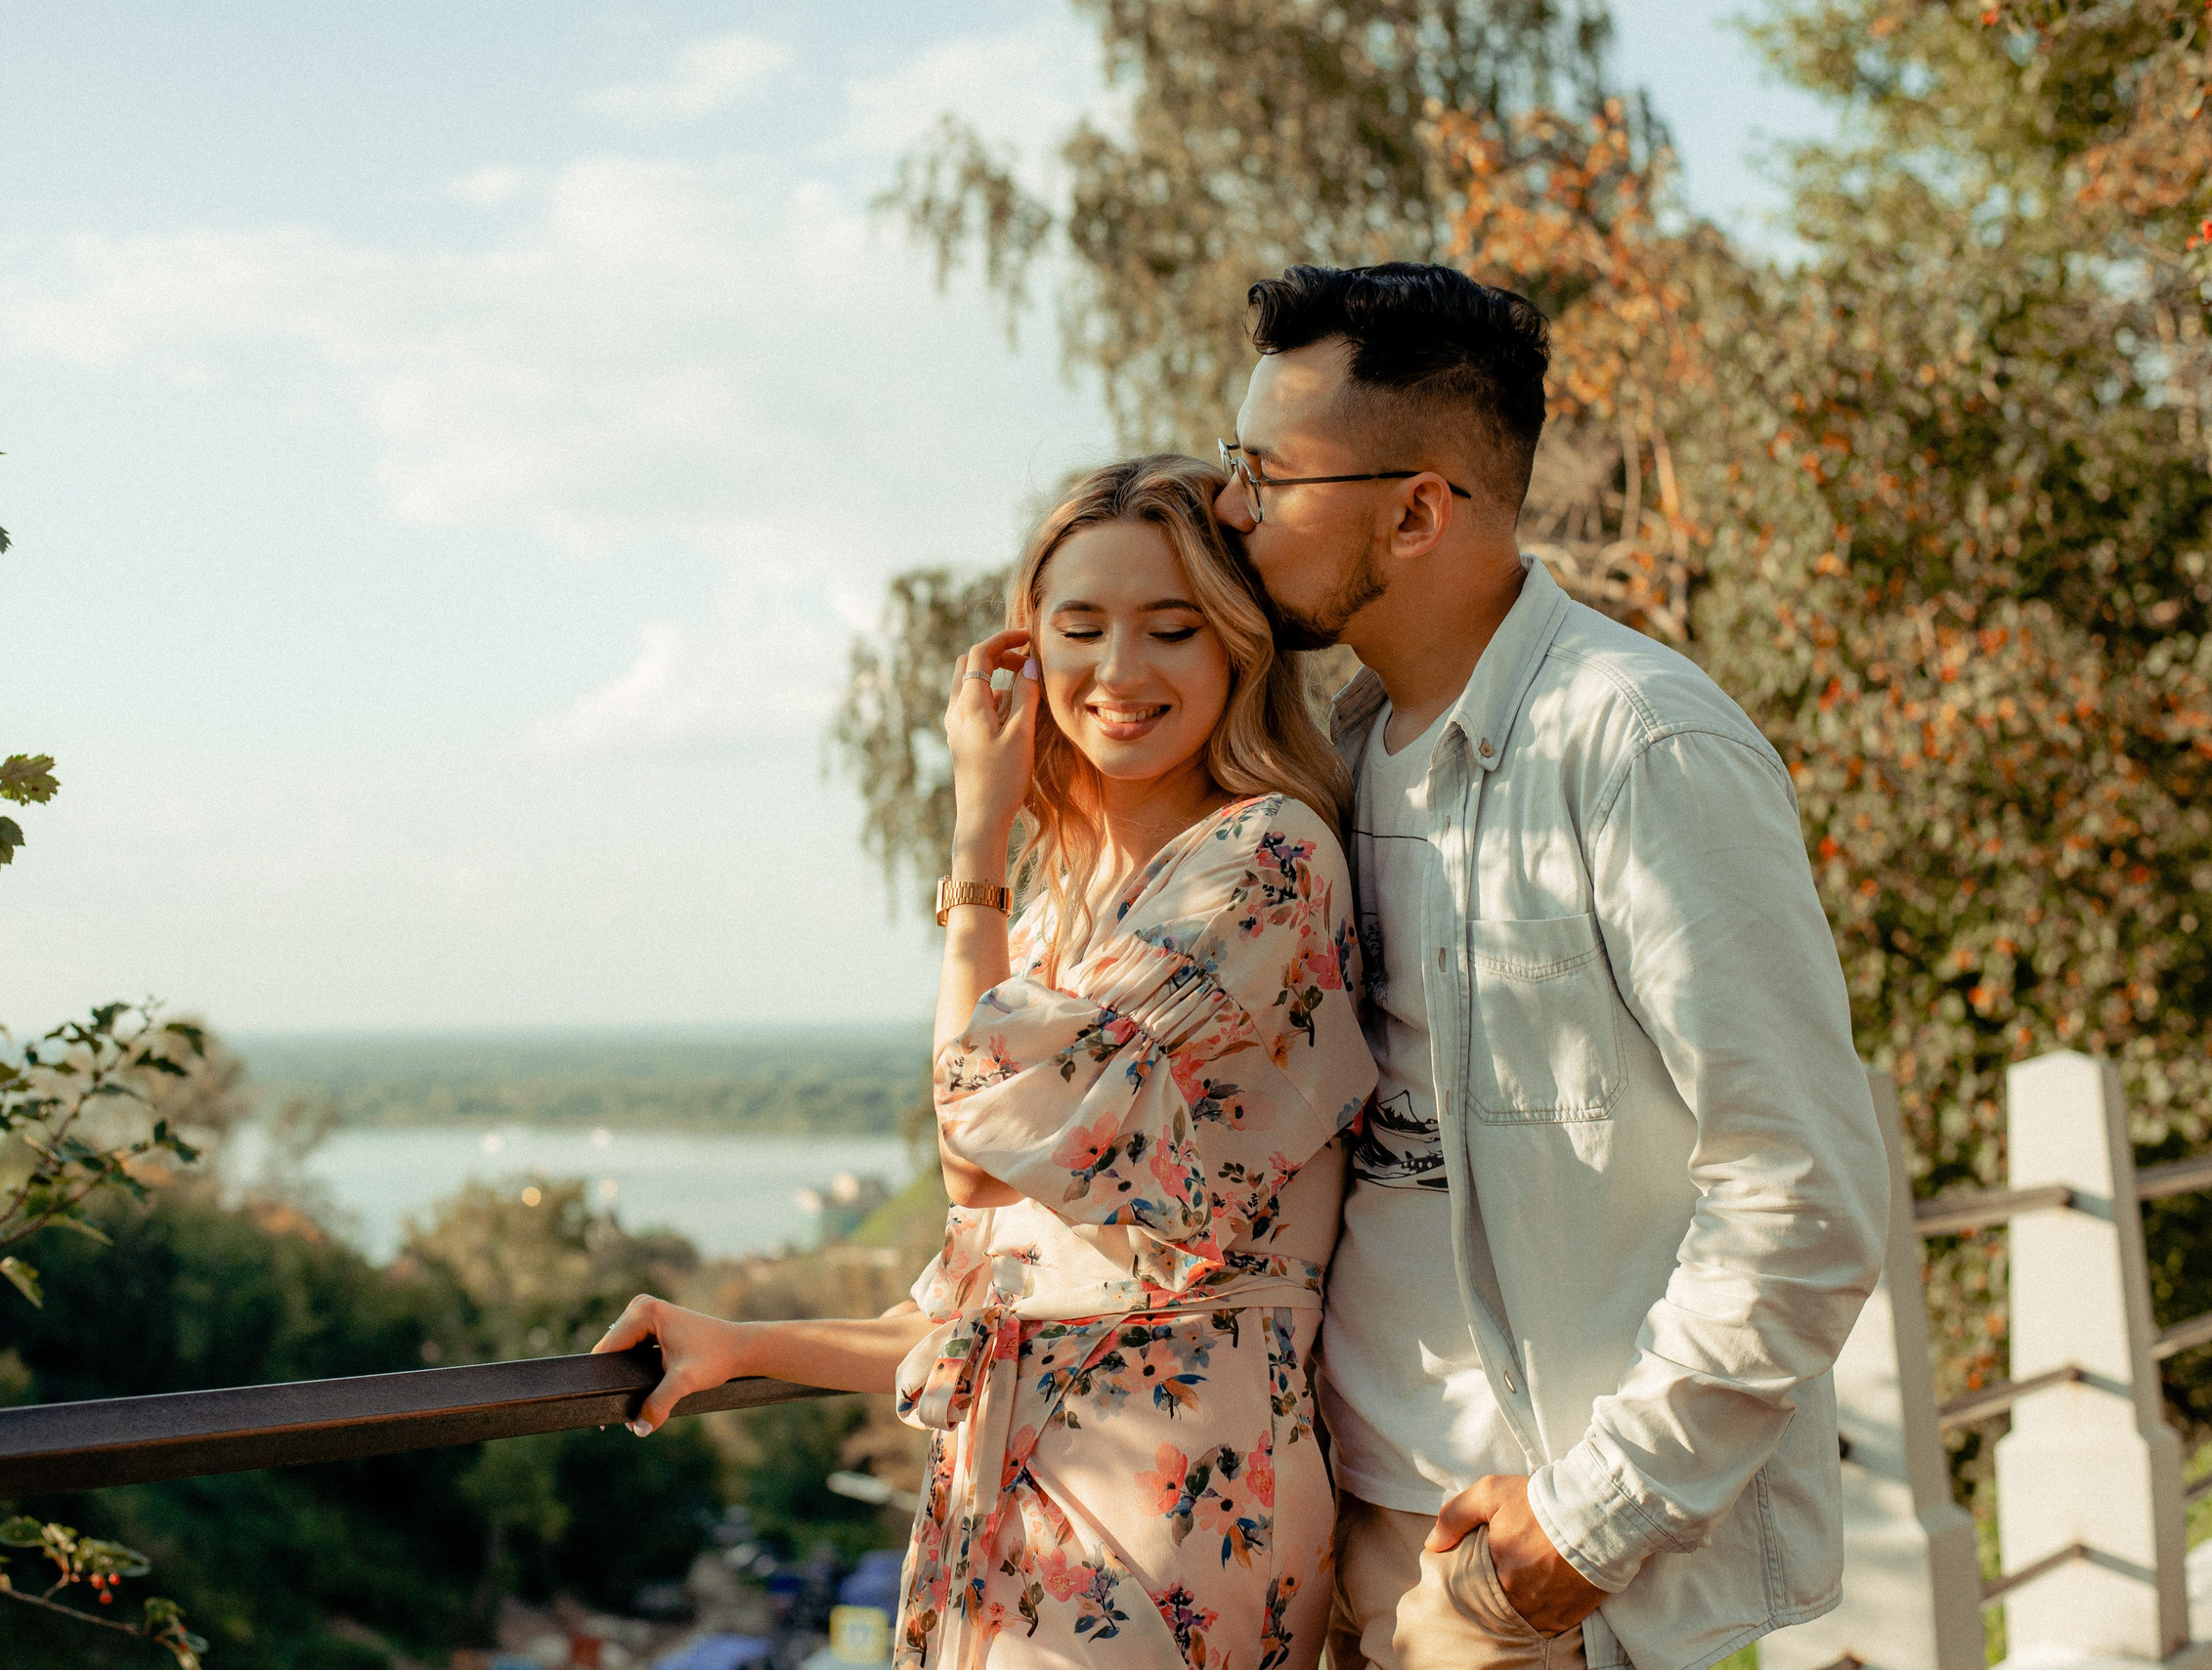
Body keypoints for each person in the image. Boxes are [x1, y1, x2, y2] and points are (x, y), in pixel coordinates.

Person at [1213, 261, 1891, 1670]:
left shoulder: (1640, 747)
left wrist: (1588, 1527)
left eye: (1268, 476)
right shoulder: (1328, 758)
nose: (1233, 510)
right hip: (1318, 1522)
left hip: (1504, 1559)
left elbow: (1804, 1193)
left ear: (1414, 510)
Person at [595, 454, 1378, 1670]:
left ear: (1236, 646)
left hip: (1164, 1511)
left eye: (1170, 628)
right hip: (1005, 1511)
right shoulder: (1072, 924)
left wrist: (976, 839)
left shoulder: (1262, 863)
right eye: (1080, 628)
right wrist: (741, 1344)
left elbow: (976, 1153)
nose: (1118, 673)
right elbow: (984, 1301)